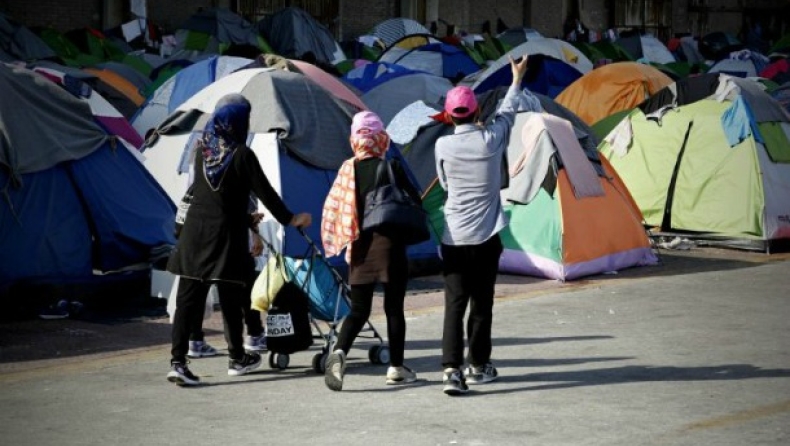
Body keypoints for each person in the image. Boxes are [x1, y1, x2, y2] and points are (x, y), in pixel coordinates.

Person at [166, 94, 312, 386]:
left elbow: (215, 197)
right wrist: (290, 219)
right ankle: (237, 358)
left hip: (195, 234)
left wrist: (246, 220)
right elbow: (266, 193)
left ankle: (178, 362)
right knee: (233, 295)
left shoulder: (203, 151)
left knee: (188, 300)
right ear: (239, 123)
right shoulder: (242, 154)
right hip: (225, 238)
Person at [434, 55, 528, 396]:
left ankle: (450, 371)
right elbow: (508, 112)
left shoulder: (442, 144)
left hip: (454, 237)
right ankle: (478, 366)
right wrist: (516, 80)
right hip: (487, 237)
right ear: (476, 112)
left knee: (454, 305)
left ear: (449, 116)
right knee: (481, 304)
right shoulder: (491, 140)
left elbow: (444, 184)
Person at [321, 111, 422, 391]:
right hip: (390, 247)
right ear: (380, 137)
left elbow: (336, 209)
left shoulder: (346, 170)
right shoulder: (391, 167)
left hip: (360, 247)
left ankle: (339, 353)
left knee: (358, 310)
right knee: (393, 310)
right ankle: (396, 368)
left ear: (354, 139)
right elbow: (415, 202)